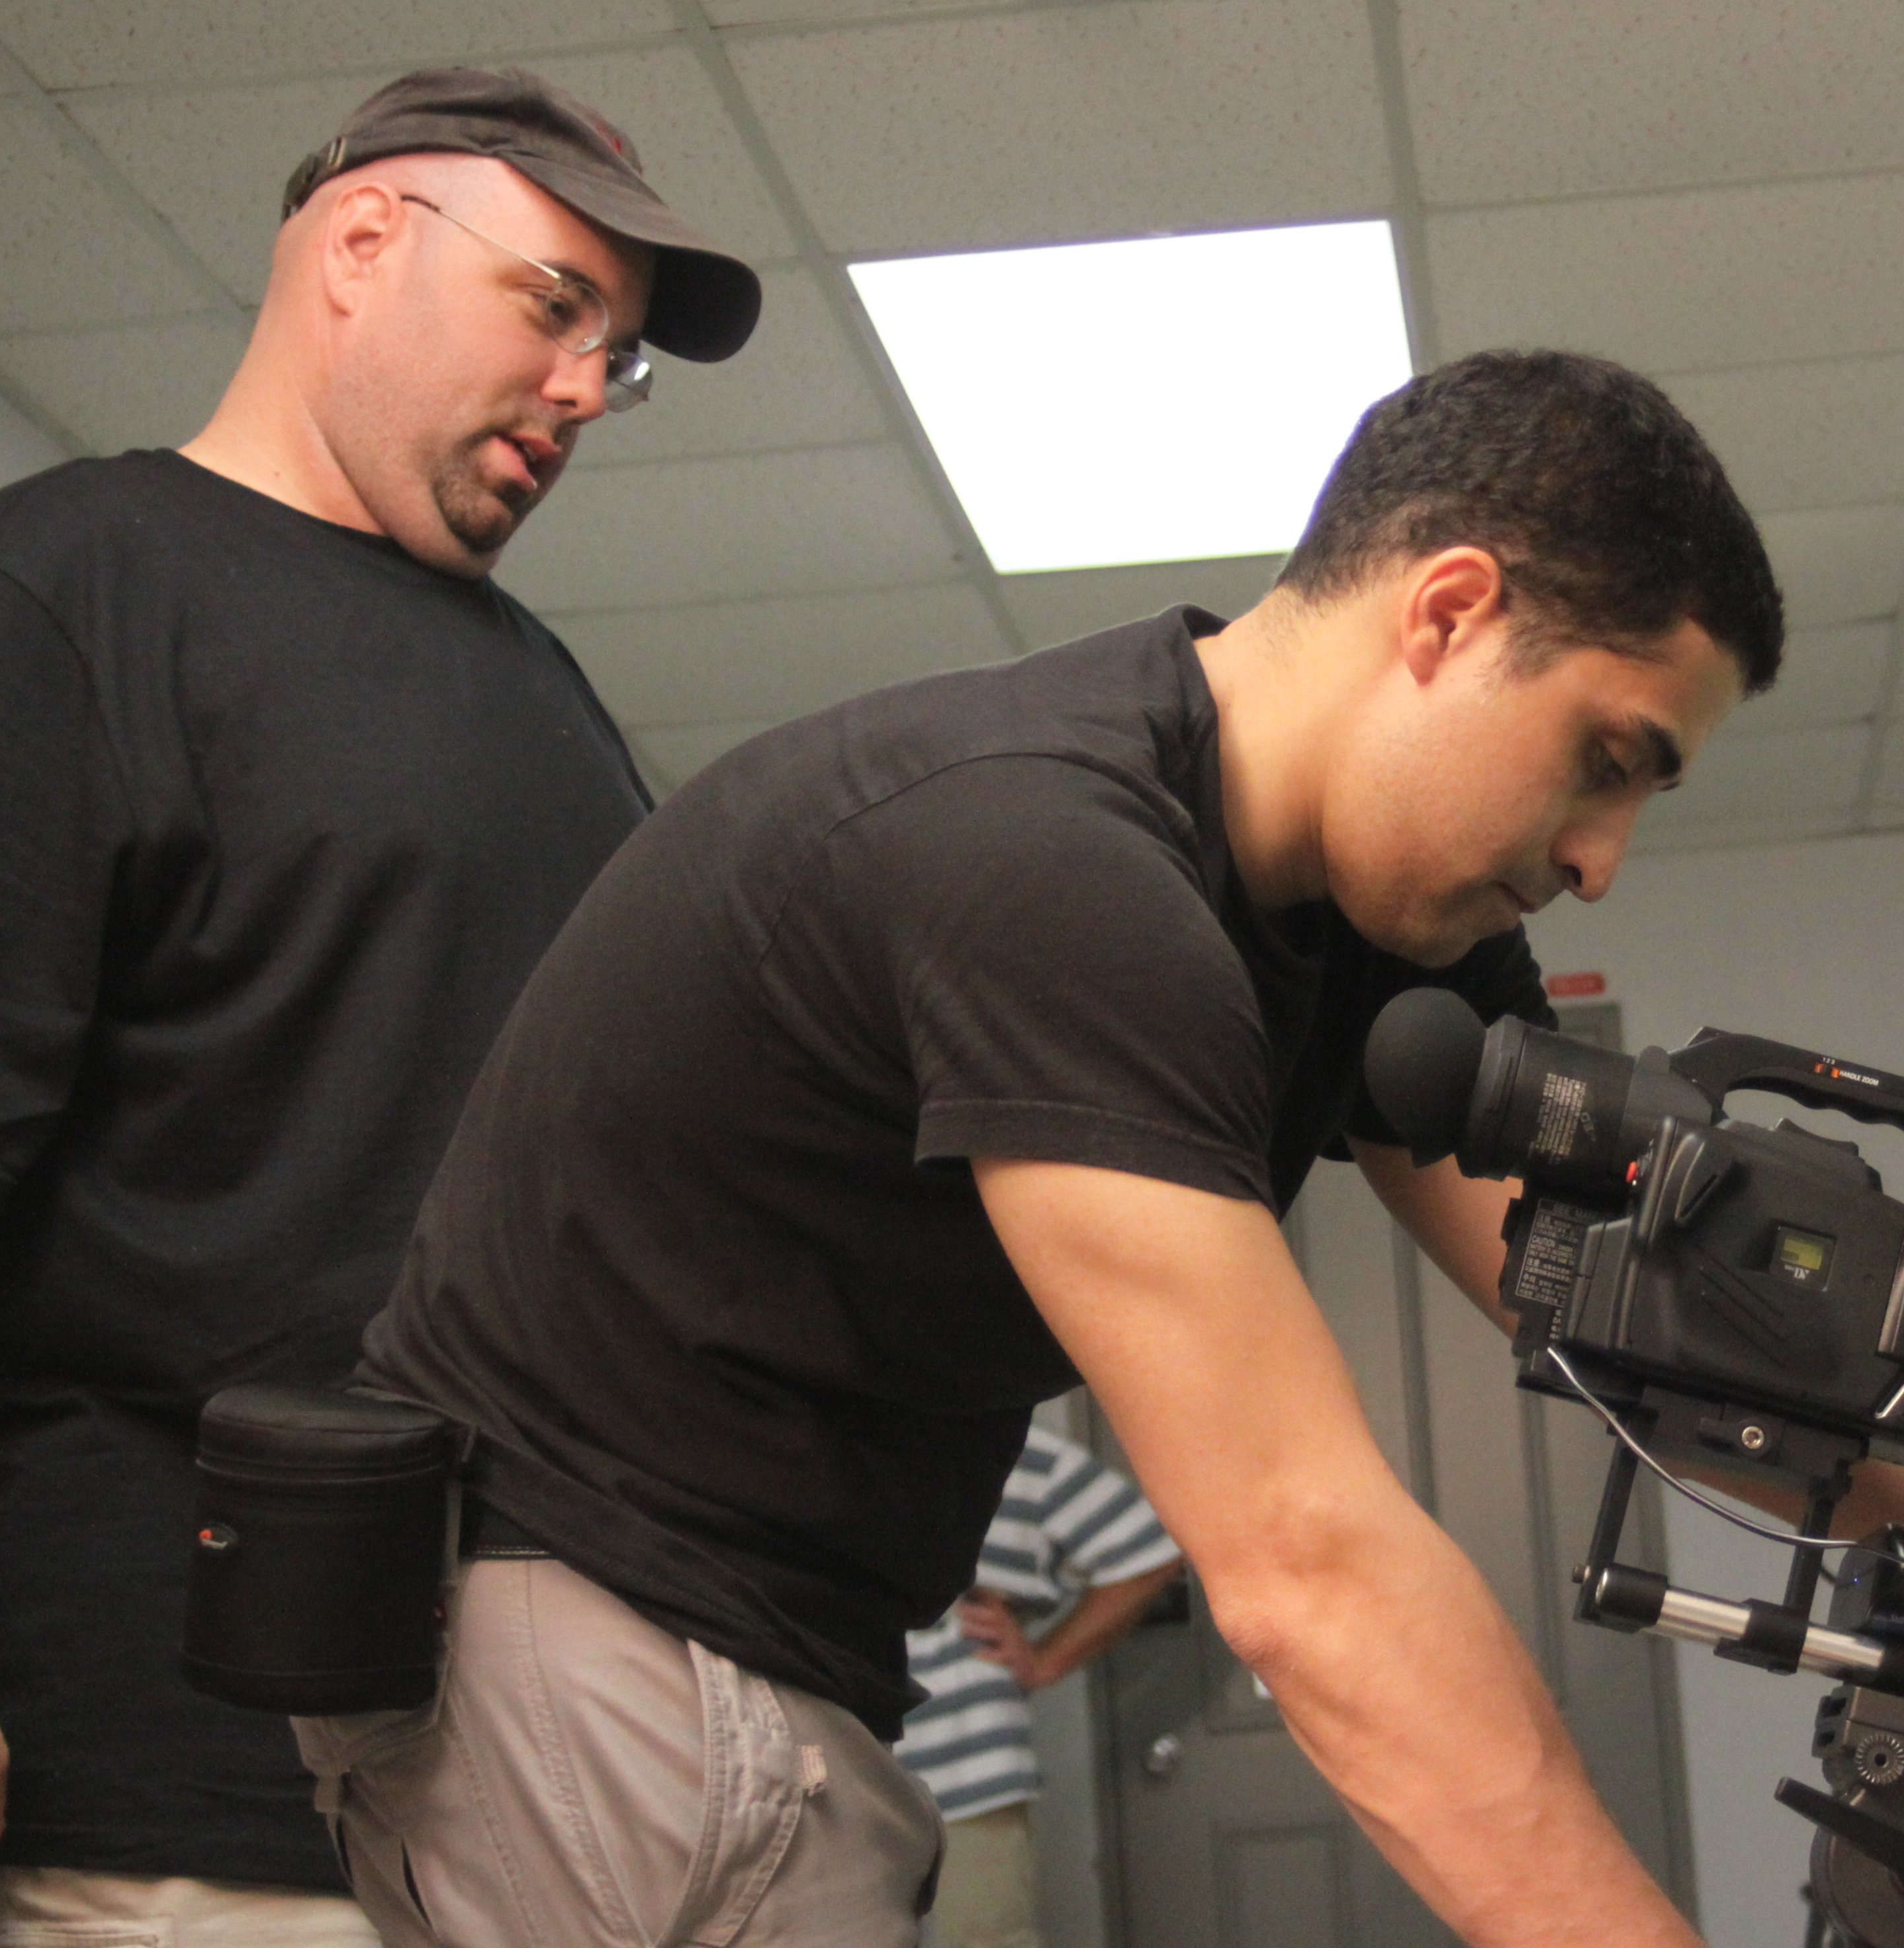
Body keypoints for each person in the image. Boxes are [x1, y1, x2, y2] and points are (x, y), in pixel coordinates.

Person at [320, 346, 1779, 1948]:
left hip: (765, 1654)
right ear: (1444, 615)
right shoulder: (1049, 860)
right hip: (593, 1624)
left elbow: (1655, 1327)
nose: (1598, 857)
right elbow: (1306, 1563)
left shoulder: (1379, 923)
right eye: (1607, 757)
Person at [0, 67, 761, 1948]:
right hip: (178, 1791)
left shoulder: (544, 695)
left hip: (529, 1797)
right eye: (557, 307)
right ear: (361, 245)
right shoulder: (66, 586)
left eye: (624, 357)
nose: (590, 388)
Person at [897, 1422, 1182, 1948]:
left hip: (964, 1774)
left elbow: (1148, 1546)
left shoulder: (992, 1443)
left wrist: (1045, 1661)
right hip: (812, 1770)